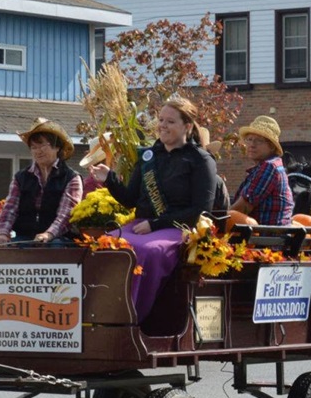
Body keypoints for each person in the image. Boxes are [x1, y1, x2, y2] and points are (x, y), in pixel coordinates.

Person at [87, 96, 217, 321]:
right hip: (142, 226)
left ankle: (130, 317)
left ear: (187, 126)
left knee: (146, 251)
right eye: (161, 120)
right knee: (102, 244)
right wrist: (109, 179)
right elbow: (130, 200)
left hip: (179, 229)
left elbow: (201, 210)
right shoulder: (148, 156)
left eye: (170, 121)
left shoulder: (200, 160)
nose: (163, 126)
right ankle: (95, 312)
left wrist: (156, 224)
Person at [0, 117, 82, 244]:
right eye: (33, 147)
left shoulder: (71, 178)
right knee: (10, 248)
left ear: (57, 147)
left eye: (42, 146)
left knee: (55, 245)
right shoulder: (20, 177)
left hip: (59, 239)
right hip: (25, 237)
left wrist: (48, 234)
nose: (38, 151)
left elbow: (66, 216)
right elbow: (9, 209)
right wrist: (2, 233)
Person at [230, 115, 294, 226]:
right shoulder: (265, 167)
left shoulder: (270, 167)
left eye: (259, 141)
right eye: (249, 139)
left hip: (267, 235)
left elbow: (243, 207)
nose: (252, 145)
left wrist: (216, 222)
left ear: (272, 146)